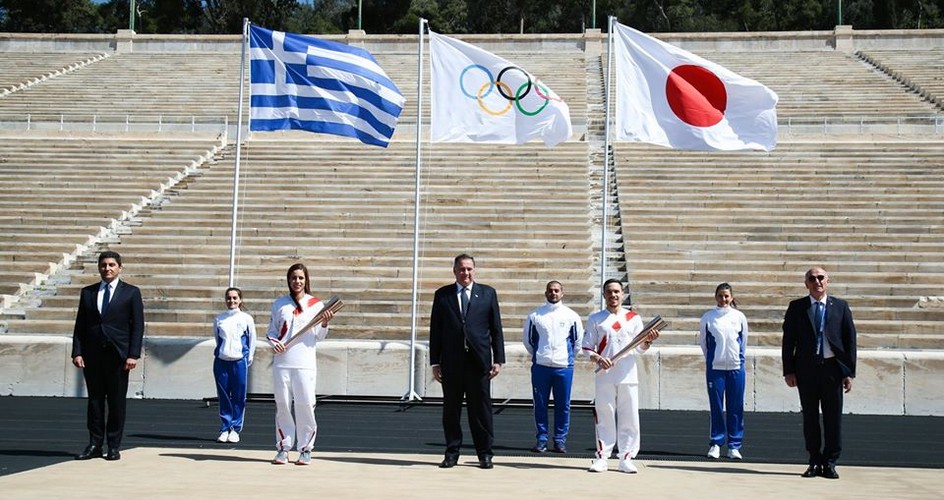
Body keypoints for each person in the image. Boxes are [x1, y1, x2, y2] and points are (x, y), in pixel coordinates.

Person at [429, 254, 505, 470]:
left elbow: (496, 329)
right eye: (461, 269)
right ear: (454, 271)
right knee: (451, 410)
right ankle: (452, 452)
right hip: (451, 363)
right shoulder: (442, 295)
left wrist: (498, 359)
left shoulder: (488, 293)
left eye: (469, 269)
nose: (466, 273)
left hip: (479, 363)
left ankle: (485, 454)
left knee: (481, 411)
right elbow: (436, 331)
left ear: (475, 270)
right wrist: (435, 362)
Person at [782, 266, 857, 479]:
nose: (817, 282)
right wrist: (789, 370)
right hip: (806, 370)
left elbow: (850, 340)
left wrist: (849, 372)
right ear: (806, 283)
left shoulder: (840, 307)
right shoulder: (797, 307)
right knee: (810, 417)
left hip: (833, 369)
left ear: (828, 281)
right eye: (812, 278)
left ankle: (830, 462)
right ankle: (814, 460)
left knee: (833, 418)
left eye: (821, 277)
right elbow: (788, 342)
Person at [71, 250, 145, 461]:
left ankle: (113, 445)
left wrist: (133, 354)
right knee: (94, 402)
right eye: (104, 265)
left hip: (118, 356)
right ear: (99, 267)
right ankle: (95, 444)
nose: (108, 268)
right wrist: (77, 351)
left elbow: (137, 326)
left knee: (116, 402)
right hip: (92, 355)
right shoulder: (88, 292)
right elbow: (80, 325)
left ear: (120, 268)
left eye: (112, 265)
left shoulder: (131, 292)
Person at [582, 279, 659, 474]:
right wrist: (598, 359)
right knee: (604, 415)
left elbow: (640, 348)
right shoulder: (596, 319)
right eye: (609, 292)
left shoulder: (633, 318)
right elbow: (586, 348)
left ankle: (626, 457)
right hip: (605, 375)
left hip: (628, 374)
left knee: (629, 416)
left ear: (622, 294)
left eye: (617, 291)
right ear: (604, 295)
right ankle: (602, 457)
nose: (613, 295)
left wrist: (648, 341)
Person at [266, 263, 335, 466]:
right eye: (294, 278)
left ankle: (305, 449)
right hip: (282, 362)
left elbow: (319, 337)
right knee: (283, 404)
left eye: (301, 278)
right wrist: (274, 343)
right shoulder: (279, 304)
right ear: (289, 280)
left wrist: (324, 323)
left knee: (305, 404)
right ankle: (283, 448)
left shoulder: (316, 304)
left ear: (306, 280)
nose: (297, 281)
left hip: (305, 362)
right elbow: (271, 331)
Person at [523, 280, 584, 454]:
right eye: (550, 290)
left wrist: (567, 358)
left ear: (562, 293)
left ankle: (559, 440)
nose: (554, 293)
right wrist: (539, 355)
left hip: (563, 367)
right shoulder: (535, 316)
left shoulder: (571, 316)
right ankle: (541, 439)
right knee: (540, 405)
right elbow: (528, 341)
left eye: (557, 290)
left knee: (563, 404)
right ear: (546, 293)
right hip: (541, 367)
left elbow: (577, 342)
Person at [698, 283, 749, 460]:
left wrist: (738, 360)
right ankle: (716, 443)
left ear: (732, 297)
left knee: (736, 407)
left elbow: (743, 341)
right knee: (716, 407)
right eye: (720, 295)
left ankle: (734, 446)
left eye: (726, 296)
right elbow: (703, 343)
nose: (723, 299)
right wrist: (713, 359)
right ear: (716, 297)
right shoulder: (708, 317)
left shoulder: (739, 317)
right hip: (715, 369)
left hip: (736, 368)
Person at [212, 287, 257, 444]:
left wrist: (248, 357)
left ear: (240, 300)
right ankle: (225, 427)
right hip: (221, 362)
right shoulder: (219, 319)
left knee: (238, 396)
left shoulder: (246, 319)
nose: (231, 301)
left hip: (239, 362)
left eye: (234, 298)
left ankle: (235, 429)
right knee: (224, 396)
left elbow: (252, 340)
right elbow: (218, 339)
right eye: (229, 298)